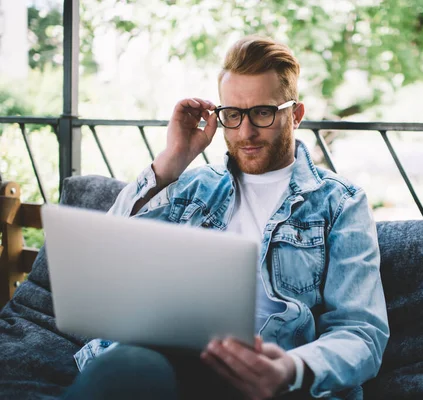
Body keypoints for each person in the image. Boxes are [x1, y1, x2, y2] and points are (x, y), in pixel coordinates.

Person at [63, 35, 389, 400]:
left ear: (295, 114)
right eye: (233, 115)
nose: (246, 132)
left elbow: (361, 333)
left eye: (262, 112)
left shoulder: (340, 202)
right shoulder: (195, 185)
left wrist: (288, 369)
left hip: (269, 379)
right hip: (167, 359)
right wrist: (172, 159)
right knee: (124, 367)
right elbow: (110, 246)